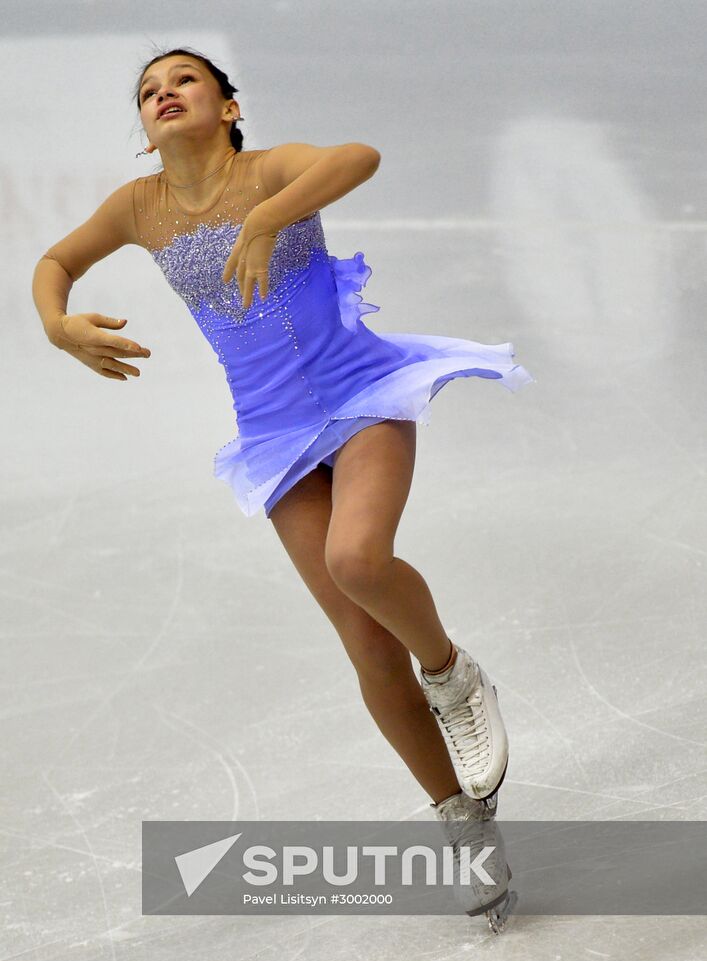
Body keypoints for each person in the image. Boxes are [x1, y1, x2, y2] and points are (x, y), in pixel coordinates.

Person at [31, 45, 534, 837]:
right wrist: (59, 325)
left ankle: (451, 674)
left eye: (184, 80)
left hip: (360, 396)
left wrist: (267, 216)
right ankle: (460, 816)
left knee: (356, 560)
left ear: (227, 108)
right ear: (143, 129)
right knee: (364, 643)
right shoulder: (139, 206)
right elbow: (57, 260)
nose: (164, 94)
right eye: (148, 91)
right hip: (274, 433)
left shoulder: (267, 173)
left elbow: (357, 157)